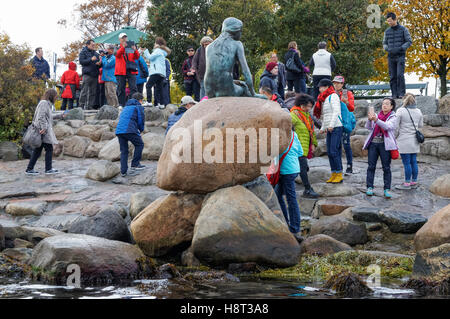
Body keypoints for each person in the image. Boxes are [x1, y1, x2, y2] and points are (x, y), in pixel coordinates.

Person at [363, 98, 398, 199]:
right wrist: (370, 120)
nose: (384, 106)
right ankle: (369, 187)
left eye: (387, 104)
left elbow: (387, 126)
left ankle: (387, 189)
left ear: (391, 106)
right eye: (383, 104)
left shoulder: (393, 117)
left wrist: (376, 120)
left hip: (385, 145)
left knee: (386, 168)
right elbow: (369, 127)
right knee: (371, 166)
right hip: (373, 143)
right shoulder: (377, 115)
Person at [274, 130, 304, 243]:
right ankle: (286, 223)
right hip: (293, 169)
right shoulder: (294, 134)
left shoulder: (278, 134)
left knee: (291, 199)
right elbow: (300, 152)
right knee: (278, 196)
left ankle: (295, 228)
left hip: (286, 170)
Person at [291, 94, 319, 198]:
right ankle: (307, 189)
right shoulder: (294, 115)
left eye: (311, 106)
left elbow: (311, 131)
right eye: (308, 106)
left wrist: (314, 144)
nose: (310, 108)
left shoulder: (306, 116)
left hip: (304, 147)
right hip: (298, 148)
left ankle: (283, 188)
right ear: (302, 105)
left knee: (303, 168)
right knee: (302, 169)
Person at [25, 89, 59, 176]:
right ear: (51, 95)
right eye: (55, 96)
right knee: (48, 148)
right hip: (43, 131)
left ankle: (30, 168)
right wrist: (43, 127)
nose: (56, 98)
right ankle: (48, 169)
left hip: (42, 130)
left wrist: (60, 116)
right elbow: (41, 116)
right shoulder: (44, 103)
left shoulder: (46, 104)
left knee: (38, 150)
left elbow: (48, 116)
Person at [317, 79, 344, 184]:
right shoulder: (326, 98)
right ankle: (333, 173)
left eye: (321, 87)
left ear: (327, 87)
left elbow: (336, 112)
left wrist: (331, 125)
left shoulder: (333, 96)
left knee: (334, 151)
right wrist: (323, 128)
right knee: (330, 151)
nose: (319, 89)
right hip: (330, 128)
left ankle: (339, 173)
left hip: (336, 127)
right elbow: (326, 115)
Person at [395, 93, 423, 190]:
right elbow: (421, 125)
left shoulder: (400, 111)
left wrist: (395, 137)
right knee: (413, 161)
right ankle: (414, 181)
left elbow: (396, 126)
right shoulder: (418, 111)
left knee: (406, 162)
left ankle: (407, 183)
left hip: (403, 140)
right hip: (414, 140)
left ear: (404, 99)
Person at [115, 92, 146, 177]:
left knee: (124, 151)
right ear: (140, 100)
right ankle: (135, 164)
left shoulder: (125, 107)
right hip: (129, 130)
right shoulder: (138, 107)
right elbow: (140, 120)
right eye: (142, 100)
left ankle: (123, 171)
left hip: (119, 131)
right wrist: (141, 130)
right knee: (140, 144)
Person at [383, 12, 413, 99]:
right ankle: (394, 94)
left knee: (400, 75)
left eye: (390, 21)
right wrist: (387, 49)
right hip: (391, 56)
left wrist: (401, 48)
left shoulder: (403, 29)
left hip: (400, 55)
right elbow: (384, 43)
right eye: (388, 21)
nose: (389, 23)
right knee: (392, 76)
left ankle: (401, 94)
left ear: (395, 20)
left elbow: (409, 41)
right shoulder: (387, 31)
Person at [332, 75, 355, 175]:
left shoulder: (347, 93)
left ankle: (349, 166)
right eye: (334, 83)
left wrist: (346, 102)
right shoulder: (331, 94)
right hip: (335, 121)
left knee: (346, 144)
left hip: (345, 122)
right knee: (337, 145)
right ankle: (339, 167)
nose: (336, 84)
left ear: (342, 84)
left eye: (338, 83)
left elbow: (352, 108)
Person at [144, 37, 171, 108]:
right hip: (161, 73)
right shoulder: (162, 52)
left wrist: (145, 51)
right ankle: (161, 104)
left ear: (157, 44)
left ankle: (149, 101)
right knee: (159, 88)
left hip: (156, 72)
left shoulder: (157, 50)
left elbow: (150, 57)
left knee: (148, 85)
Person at [116, 33, 140, 107]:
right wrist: (123, 47)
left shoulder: (131, 46)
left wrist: (135, 50)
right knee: (121, 88)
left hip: (131, 69)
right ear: (119, 39)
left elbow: (137, 57)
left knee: (133, 87)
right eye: (122, 38)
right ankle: (121, 104)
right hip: (121, 70)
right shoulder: (116, 47)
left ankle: (133, 102)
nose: (124, 39)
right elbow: (117, 54)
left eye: (125, 37)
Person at [79, 40, 101, 110]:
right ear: (87, 45)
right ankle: (81, 106)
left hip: (95, 74)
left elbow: (99, 64)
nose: (93, 46)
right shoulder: (83, 52)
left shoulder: (96, 53)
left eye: (94, 45)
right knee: (84, 91)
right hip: (87, 74)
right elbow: (81, 61)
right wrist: (90, 59)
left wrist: (100, 64)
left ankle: (90, 106)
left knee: (93, 92)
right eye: (92, 45)